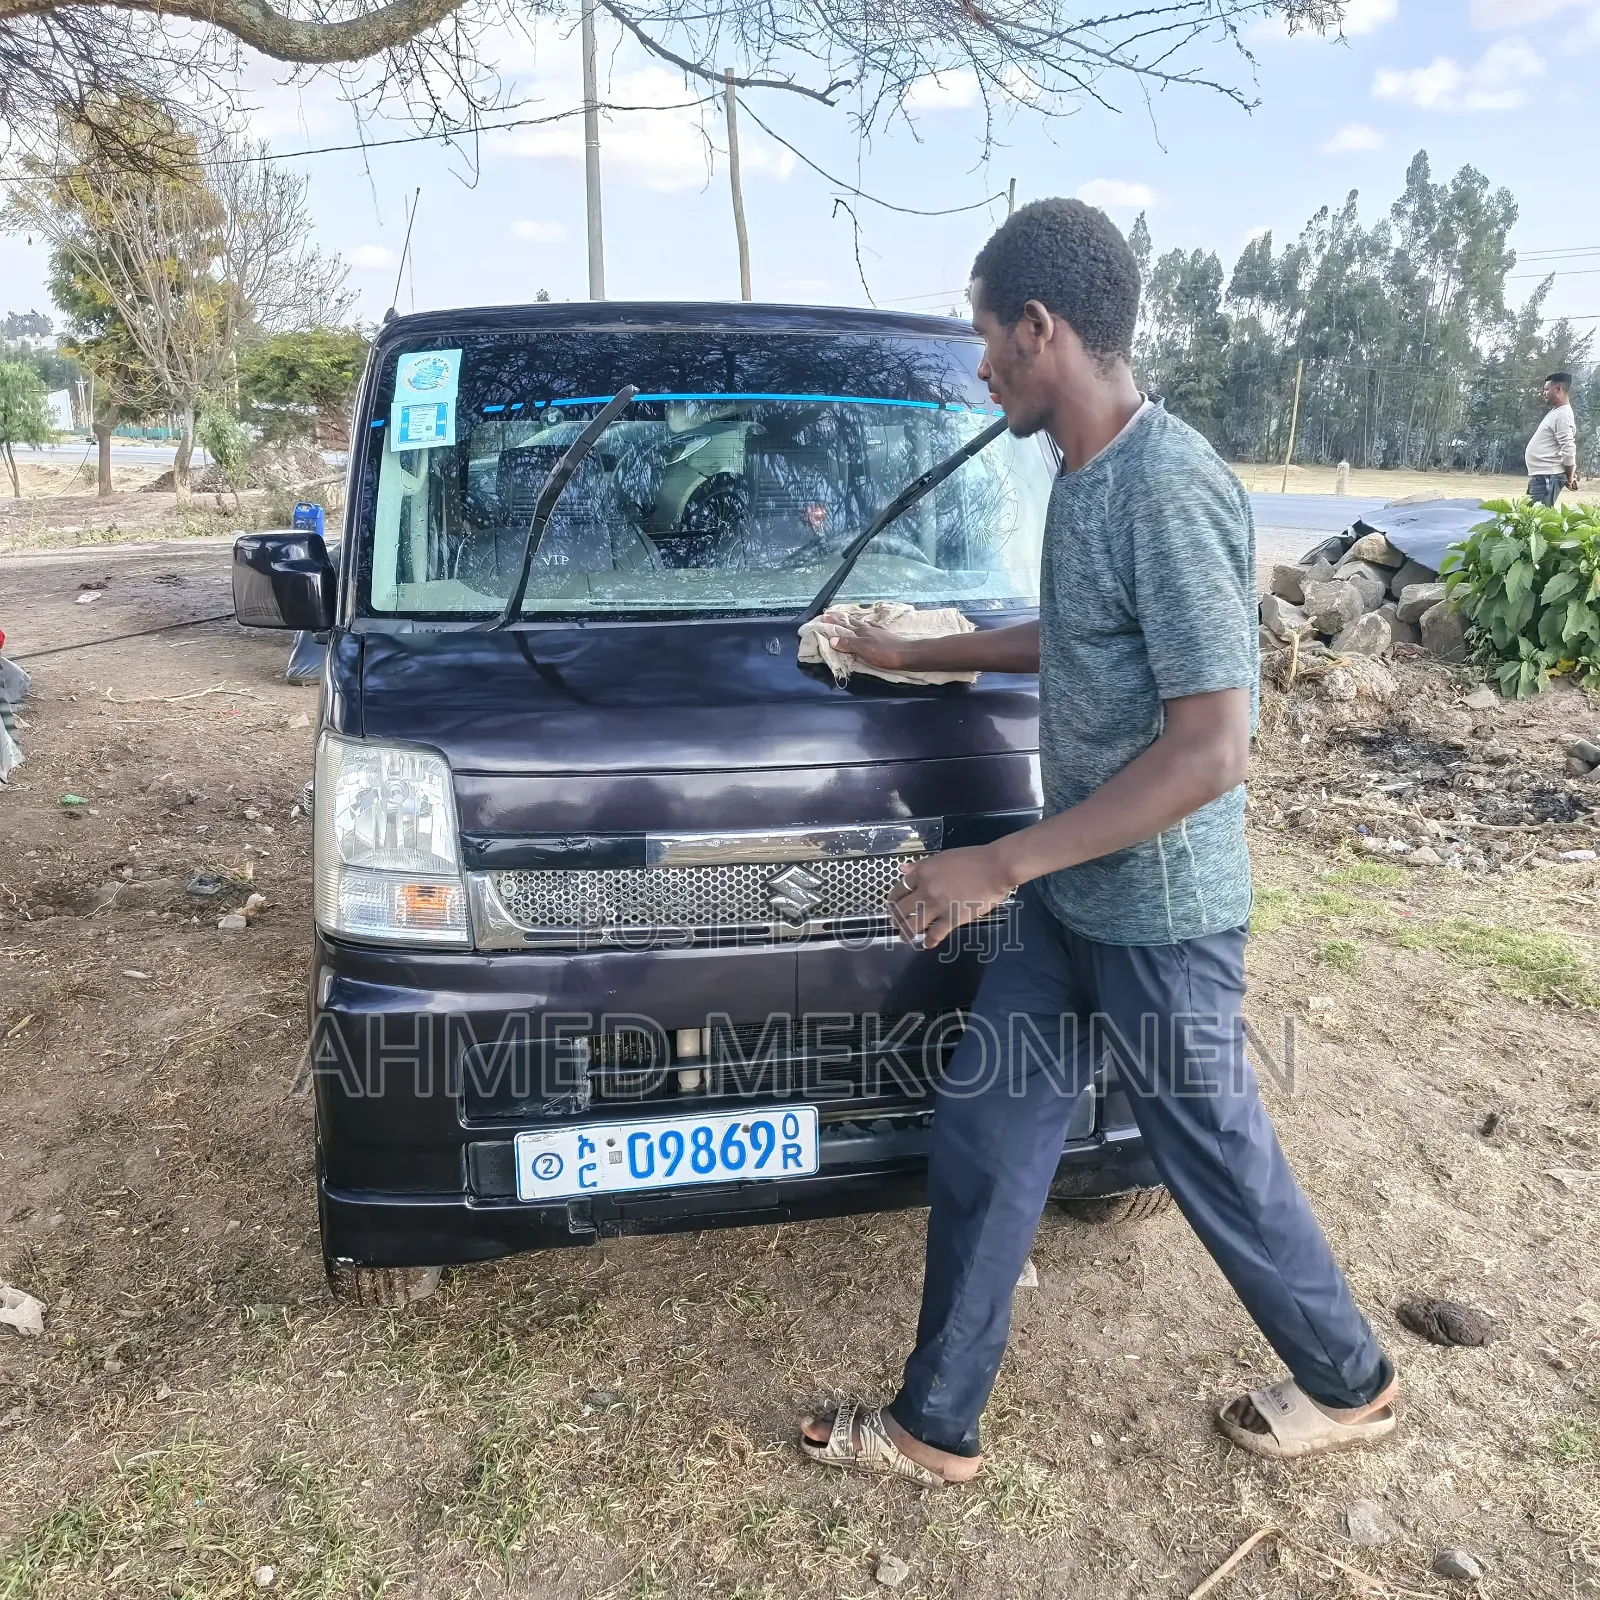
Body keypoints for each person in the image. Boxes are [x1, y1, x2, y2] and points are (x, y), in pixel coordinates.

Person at [797, 198, 1396, 1488]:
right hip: (1075, 905)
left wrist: (995, 863)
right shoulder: (1079, 469)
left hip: (1163, 922)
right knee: (985, 1135)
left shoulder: (1169, 485)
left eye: (987, 339)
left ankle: (1350, 1382)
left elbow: (1212, 747)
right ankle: (932, 1424)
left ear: (1040, 327)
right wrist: (917, 650)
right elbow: (1065, 629)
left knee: (1215, 1161)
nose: (979, 367)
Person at [1526, 372, 1578, 507]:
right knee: (1529, 518)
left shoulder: (1563, 415)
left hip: (1548, 477)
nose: (1544, 392)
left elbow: (1568, 447)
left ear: (1558, 390)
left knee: (1536, 520)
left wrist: (1570, 475)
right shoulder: (1556, 412)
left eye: (1546, 389)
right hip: (1542, 476)